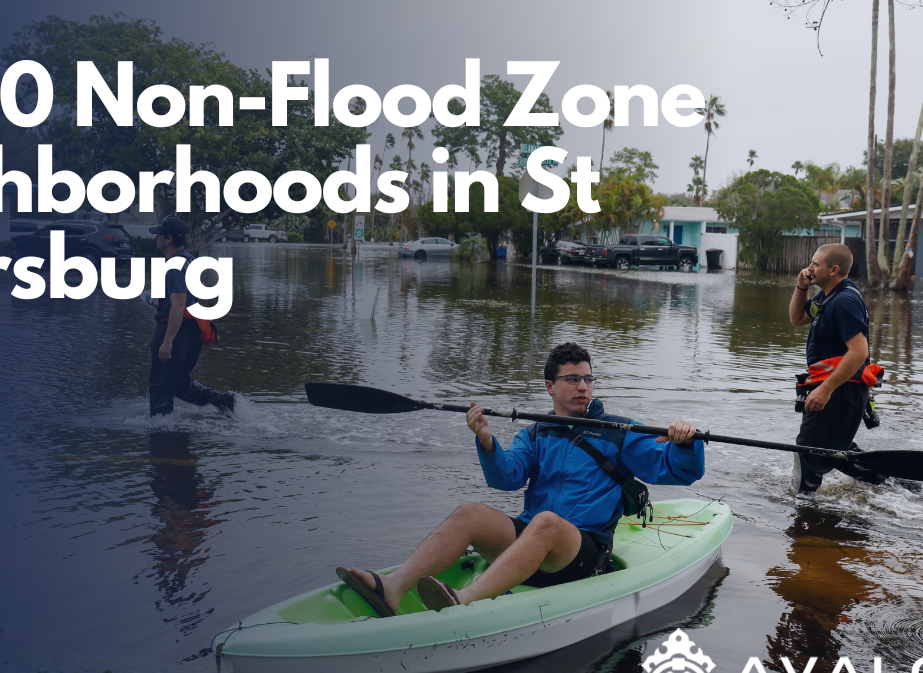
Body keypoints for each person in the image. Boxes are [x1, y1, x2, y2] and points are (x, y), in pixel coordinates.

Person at [336, 342, 705, 616]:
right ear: (550, 386)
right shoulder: (535, 434)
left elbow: (677, 470)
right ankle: (393, 587)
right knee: (470, 511)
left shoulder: (620, 432)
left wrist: (685, 444)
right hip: (533, 543)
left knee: (545, 523)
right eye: (573, 379)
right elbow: (506, 477)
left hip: (581, 553)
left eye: (588, 379)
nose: (583, 387)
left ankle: (463, 600)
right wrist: (486, 440)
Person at [788, 244, 886, 493]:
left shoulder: (844, 301)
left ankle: (803, 508)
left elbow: (859, 351)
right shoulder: (827, 296)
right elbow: (798, 318)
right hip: (839, 389)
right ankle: (888, 481)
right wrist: (802, 288)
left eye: (816, 264)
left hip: (840, 390)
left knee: (807, 449)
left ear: (833, 270)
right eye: (811, 263)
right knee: (833, 449)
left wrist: (825, 390)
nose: (810, 268)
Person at [146, 216, 236, 418]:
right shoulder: (189, 260)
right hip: (193, 333)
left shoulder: (174, 266)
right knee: (177, 382)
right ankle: (223, 402)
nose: (156, 238)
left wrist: (167, 341)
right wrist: (162, 301)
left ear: (168, 239)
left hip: (176, 333)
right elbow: (193, 297)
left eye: (159, 235)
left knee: (160, 385)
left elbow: (178, 305)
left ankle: (161, 434)